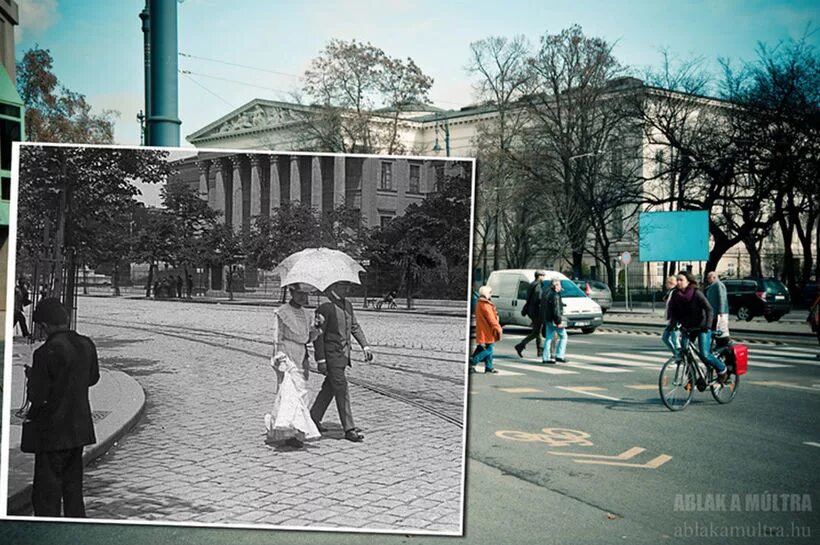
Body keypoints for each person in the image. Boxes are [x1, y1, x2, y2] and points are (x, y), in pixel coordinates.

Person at [20, 297, 100, 517]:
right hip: (79, 429)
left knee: (47, 495)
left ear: (44, 325)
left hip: (52, 432)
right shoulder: (86, 344)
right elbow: (93, 378)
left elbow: (37, 397)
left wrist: (32, 376)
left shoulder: (45, 352)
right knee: (73, 491)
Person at [310, 282, 374, 443]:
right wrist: (321, 360)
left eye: (347, 286)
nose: (347, 289)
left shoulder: (348, 305)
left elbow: (354, 326)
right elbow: (318, 337)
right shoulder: (325, 307)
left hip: (343, 357)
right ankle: (349, 428)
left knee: (329, 388)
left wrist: (365, 346)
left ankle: (312, 419)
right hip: (331, 357)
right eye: (343, 286)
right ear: (334, 288)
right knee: (342, 389)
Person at [264, 283, 323, 448]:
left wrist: (317, 328)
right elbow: (278, 337)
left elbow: (307, 338)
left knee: (301, 391)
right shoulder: (282, 312)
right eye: (299, 294)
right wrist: (280, 357)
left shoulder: (307, 314)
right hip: (287, 354)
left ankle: (293, 430)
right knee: (291, 390)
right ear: (291, 292)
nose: (303, 298)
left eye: (306, 294)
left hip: (300, 354)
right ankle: (290, 432)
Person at [666, 271, 727, 382]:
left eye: (681, 280)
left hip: (702, 326)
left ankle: (722, 369)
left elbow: (709, 309)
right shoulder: (675, 295)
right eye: (677, 280)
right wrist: (672, 325)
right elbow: (674, 312)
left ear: (688, 282)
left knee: (705, 354)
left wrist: (707, 326)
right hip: (688, 327)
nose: (678, 282)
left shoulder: (696, 293)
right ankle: (691, 377)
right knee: (685, 352)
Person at [514, 270, 546, 359]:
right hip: (536, 311)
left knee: (538, 330)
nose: (544, 277)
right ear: (539, 276)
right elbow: (538, 299)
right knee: (536, 331)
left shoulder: (532, 284)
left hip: (531, 310)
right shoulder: (538, 286)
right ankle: (520, 345)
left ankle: (540, 350)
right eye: (543, 275)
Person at [471, 285, 502, 374]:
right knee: (489, 349)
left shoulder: (479, 303)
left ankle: (489, 367)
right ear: (486, 293)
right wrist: (498, 328)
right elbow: (491, 318)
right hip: (487, 330)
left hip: (484, 329)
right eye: (490, 293)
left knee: (489, 347)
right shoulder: (485, 305)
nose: (491, 295)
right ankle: (474, 361)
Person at [541, 277, 568, 364]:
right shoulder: (555, 295)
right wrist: (558, 321)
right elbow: (556, 309)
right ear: (556, 285)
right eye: (559, 284)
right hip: (554, 319)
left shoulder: (546, 292)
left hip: (547, 319)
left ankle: (545, 357)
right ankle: (560, 355)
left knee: (548, 338)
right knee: (564, 337)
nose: (560, 286)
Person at [704, 271, 730, 337]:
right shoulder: (711, 286)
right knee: (714, 328)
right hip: (714, 311)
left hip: (718, 312)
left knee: (718, 328)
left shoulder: (718, 285)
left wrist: (721, 310)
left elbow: (722, 298)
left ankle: (719, 342)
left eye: (709, 278)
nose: (707, 279)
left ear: (714, 277)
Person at [661, 275, 680, 359]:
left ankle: (679, 356)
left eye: (667, 283)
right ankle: (676, 354)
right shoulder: (670, 292)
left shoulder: (676, 292)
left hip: (676, 320)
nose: (665, 284)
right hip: (671, 320)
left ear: (671, 283)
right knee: (665, 337)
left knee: (675, 339)